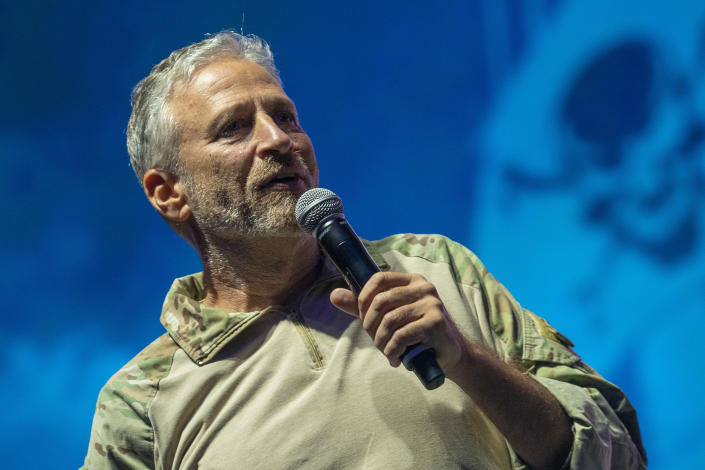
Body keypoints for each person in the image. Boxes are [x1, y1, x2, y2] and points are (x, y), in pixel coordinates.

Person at [82, 31, 647, 469]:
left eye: (284, 116)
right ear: (168, 193)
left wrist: (466, 362)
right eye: (235, 128)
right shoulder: (144, 401)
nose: (280, 140)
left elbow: (619, 456)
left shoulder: (434, 268)